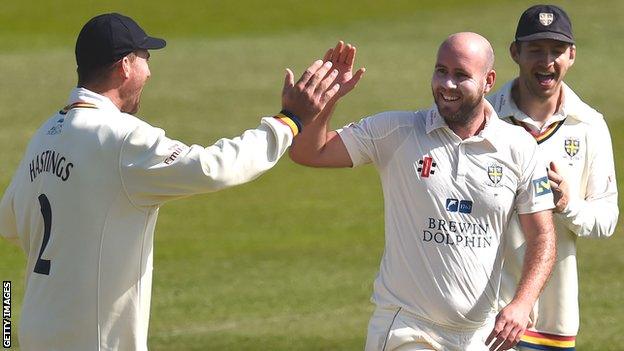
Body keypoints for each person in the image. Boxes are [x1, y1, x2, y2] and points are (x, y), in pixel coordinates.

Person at [0, 13, 349, 351]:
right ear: (124, 66)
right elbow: (215, 167)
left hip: (36, 335)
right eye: (144, 58)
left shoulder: (46, 135)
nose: (149, 71)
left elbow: (11, 224)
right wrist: (289, 121)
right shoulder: (121, 139)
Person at [289, 35, 557, 351]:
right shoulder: (395, 131)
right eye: (440, 70)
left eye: (461, 75)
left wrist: (523, 303)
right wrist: (330, 98)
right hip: (408, 328)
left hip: (480, 335)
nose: (447, 84)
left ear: (489, 81)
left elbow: (542, 237)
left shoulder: (519, 147)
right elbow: (309, 152)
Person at [487, 5, 619, 350]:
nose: (547, 61)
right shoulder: (485, 118)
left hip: (551, 319)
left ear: (571, 55)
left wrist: (569, 205)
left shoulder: (589, 125)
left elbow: (607, 219)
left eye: (557, 51)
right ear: (515, 52)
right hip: (481, 310)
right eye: (535, 50)